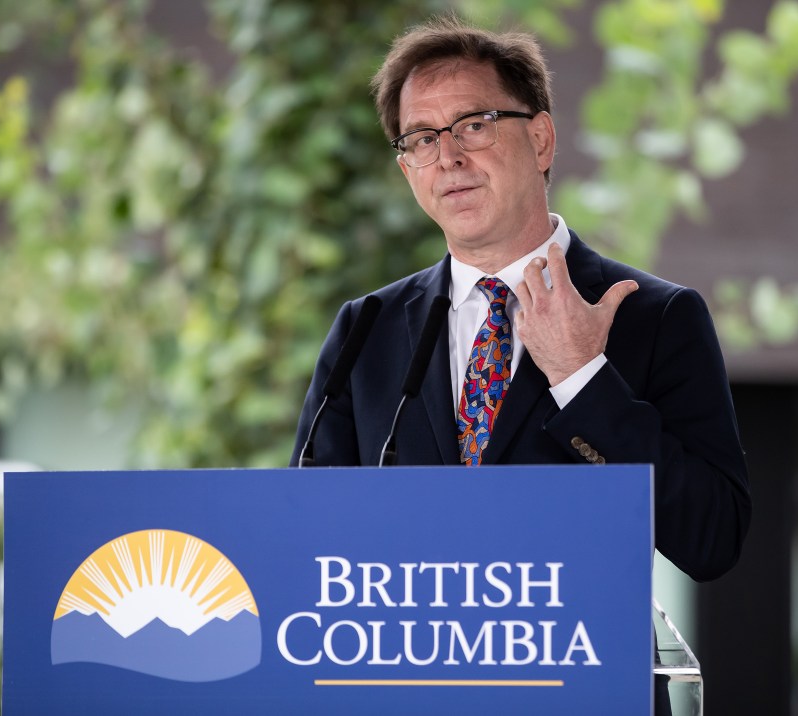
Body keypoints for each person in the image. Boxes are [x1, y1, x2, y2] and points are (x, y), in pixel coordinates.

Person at [291, 16, 751, 712]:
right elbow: (309, 540)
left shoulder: (653, 318)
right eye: (421, 139)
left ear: (540, 139)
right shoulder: (367, 330)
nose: (447, 157)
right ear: (406, 168)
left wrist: (581, 379)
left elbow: (713, 537)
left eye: (473, 124)